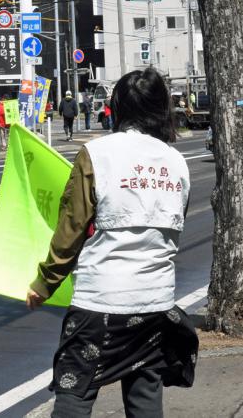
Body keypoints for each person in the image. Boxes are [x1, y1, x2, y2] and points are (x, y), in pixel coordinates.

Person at [26, 68, 197, 418]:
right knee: (145, 395)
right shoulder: (176, 162)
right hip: (155, 301)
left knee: (75, 391)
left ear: (117, 107)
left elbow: (71, 228)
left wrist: (45, 283)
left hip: (101, 301)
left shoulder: (97, 153)